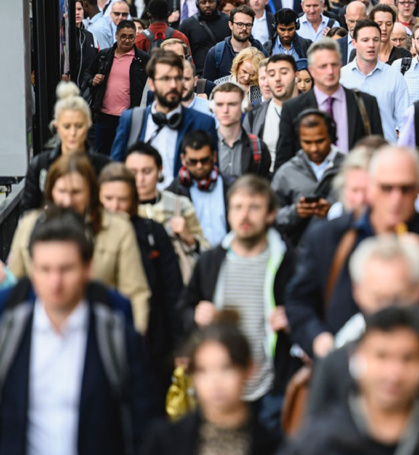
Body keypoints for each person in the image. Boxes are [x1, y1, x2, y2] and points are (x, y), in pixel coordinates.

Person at [286, 147, 419, 359]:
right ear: (371, 188)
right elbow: (299, 302)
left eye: (406, 189)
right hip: (344, 369)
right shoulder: (329, 237)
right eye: (387, 188)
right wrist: (318, 339)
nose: (396, 199)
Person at [0, 208, 156, 455]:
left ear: (88, 268)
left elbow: (144, 423)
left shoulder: (116, 337)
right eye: (44, 269)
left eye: (66, 269)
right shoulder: (9, 333)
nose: (55, 282)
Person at [180, 175, 301, 434]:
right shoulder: (211, 261)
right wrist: (195, 316)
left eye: (254, 207)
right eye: (237, 207)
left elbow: (311, 311)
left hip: (272, 388)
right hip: (220, 389)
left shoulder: (291, 263)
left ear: (271, 214)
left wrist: (294, 320)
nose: (244, 215)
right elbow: (184, 309)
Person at [307, 236, 419, 419]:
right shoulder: (335, 365)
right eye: (379, 299)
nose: (388, 311)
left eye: (398, 298)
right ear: (357, 292)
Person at [285, 307, 419, 454]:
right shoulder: (319, 443)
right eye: (381, 356)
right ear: (356, 357)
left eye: (408, 358)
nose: (393, 373)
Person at [9, 152, 152, 333]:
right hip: (38, 331)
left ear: (91, 193)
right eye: (62, 191)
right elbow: (15, 285)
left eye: (76, 192)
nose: (68, 201)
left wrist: (131, 340)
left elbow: (136, 292)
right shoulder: (29, 225)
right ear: (51, 191)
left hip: (101, 333)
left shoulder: (117, 228)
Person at [98, 162, 184, 397]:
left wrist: (180, 346)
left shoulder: (152, 232)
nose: (115, 207)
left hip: (153, 339)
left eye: (122, 199)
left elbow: (172, 291)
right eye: (108, 199)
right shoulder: (88, 233)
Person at [141, 315, 282, 454]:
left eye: (226, 368)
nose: (215, 381)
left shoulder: (274, 445)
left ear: (249, 369)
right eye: (203, 370)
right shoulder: (166, 441)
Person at [112, 51, 218, 190]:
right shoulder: (131, 119)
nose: (173, 85)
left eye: (178, 78)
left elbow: (211, 174)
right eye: (166, 79)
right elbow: (116, 169)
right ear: (151, 84)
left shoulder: (203, 122)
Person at [275, 39, 383, 170]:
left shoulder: (366, 103)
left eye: (334, 65)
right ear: (311, 70)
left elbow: (378, 153)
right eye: (323, 66)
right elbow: (284, 161)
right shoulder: (293, 108)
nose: (330, 71)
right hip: (311, 186)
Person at [22, 82, 111, 213]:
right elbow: (27, 214)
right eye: (67, 126)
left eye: (79, 126)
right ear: (57, 126)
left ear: (88, 125)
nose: (73, 133)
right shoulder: (40, 165)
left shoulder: (104, 167)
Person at [126, 143, 210, 273]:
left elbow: (207, 252)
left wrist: (189, 238)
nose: (140, 179)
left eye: (147, 171)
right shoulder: (117, 206)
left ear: (160, 170)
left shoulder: (179, 204)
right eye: (133, 172)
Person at [272, 109, 347, 245]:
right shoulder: (286, 172)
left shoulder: (349, 168)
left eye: (320, 141)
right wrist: (296, 212)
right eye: (307, 142)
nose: (314, 149)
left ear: (331, 136)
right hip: (300, 253)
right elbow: (271, 216)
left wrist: (334, 212)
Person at [341, 18, 410, 143]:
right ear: (354, 43)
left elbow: (405, 122)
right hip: (350, 155)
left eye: (375, 40)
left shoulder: (394, 77)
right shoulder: (341, 77)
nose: (371, 45)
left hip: (386, 154)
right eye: (365, 40)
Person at [86, 20, 149, 155]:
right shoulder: (104, 55)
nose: (127, 40)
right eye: (123, 36)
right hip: (103, 117)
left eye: (131, 37)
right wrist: (93, 80)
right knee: (102, 156)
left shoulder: (143, 59)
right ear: (116, 35)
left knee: (127, 155)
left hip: (129, 117)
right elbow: (87, 73)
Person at [166, 130, 232, 247]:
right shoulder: (173, 191)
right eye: (193, 161)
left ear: (214, 156)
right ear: (183, 159)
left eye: (204, 160)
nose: (199, 166)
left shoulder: (232, 186)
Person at [244, 54, 299, 170]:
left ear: (296, 76)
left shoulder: (311, 109)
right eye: (272, 74)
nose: (277, 78)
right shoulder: (254, 114)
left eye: (284, 73)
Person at [211, 81, 273, 180]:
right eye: (219, 104)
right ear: (212, 107)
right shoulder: (206, 143)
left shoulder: (257, 147)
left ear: (243, 106)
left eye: (232, 104)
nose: (225, 110)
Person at [202, 5, 268, 82]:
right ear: (231, 25)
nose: (244, 28)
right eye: (240, 24)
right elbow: (208, 85)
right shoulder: (216, 52)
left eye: (248, 25)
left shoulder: (261, 52)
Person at [178, 0, 232, 76]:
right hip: (199, 75)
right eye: (203, 2)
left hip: (225, 74)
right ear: (197, 3)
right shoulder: (187, 25)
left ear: (217, 1)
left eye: (211, 1)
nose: (207, 5)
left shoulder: (228, 22)